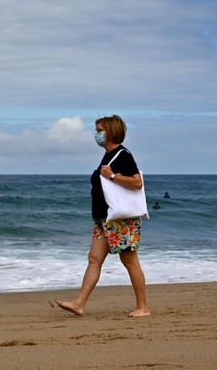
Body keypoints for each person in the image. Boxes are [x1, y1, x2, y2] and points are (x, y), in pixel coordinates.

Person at [54, 115, 150, 318]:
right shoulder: (108, 155)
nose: (96, 133)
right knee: (94, 259)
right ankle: (79, 304)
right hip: (103, 219)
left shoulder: (123, 154)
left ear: (111, 131)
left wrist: (113, 176)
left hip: (120, 220)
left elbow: (137, 182)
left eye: (99, 130)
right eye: (96, 130)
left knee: (130, 261)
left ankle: (142, 307)